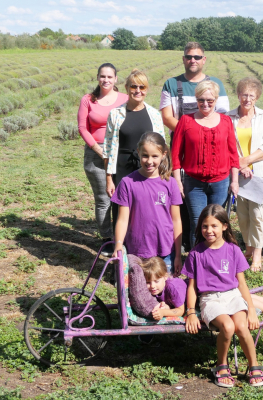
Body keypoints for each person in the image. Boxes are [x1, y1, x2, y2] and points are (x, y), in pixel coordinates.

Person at [183, 204, 263, 388]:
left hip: (233, 295)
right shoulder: (196, 253)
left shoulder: (233, 250)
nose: (209, 230)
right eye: (205, 226)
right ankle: (222, 366)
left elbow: (242, 284)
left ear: (224, 226)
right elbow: (191, 287)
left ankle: (253, 365)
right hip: (210, 298)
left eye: (214, 226)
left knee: (242, 326)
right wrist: (190, 312)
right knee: (227, 327)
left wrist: (251, 309)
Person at [160, 42, 230, 250]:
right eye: (189, 56)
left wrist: (202, 132)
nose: (193, 60)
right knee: (187, 207)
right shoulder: (171, 84)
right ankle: (189, 251)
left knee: (213, 214)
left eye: (197, 57)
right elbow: (166, 116)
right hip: (184, 151)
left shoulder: (216, 83)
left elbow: (223, 117)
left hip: (212, 152)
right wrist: (190, 130)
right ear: (183, 59)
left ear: (204, 59)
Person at [171, 80, 239, 248]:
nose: (205, 104)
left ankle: (214, 258)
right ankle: (197, 261)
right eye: (201, 100)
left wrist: (235, 181)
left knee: (216, 223)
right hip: (194, 184)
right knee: (197, 222)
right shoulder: (186, 121)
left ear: (216, 100)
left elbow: (233, 154)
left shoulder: (225, 121)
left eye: (210, 100)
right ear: (196, 100)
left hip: (220, 183)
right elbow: (175, 154)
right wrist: (178, 181)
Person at [111, 132, 183, 276]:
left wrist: (178, 255)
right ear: (138, 153)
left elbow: (176, 220)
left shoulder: (171, 184)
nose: (149, 161)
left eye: (154, 156)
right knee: (138, 292)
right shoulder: (127, 183)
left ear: (163, 154)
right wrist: (118, 244)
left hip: (165, 252)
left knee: (164, 292)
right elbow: (122, 219)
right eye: (145, 155)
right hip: (137, 252)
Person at [77, 63, 128, 256]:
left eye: (109, 77)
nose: (106, 80)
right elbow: (83, 127)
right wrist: (99, 149)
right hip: (95, 155)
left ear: (116, 79)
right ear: (97, 77)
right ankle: (107, 239)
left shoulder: (124, 99)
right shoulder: (88, 100)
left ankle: (123, 236)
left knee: (124, 197)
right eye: (102, 76)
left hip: (121, 154)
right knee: (103, 199)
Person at [103, 69, 164, 227]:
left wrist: (162, 174)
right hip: (122, 168)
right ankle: (120, 246)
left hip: (148, 167)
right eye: (133, 86)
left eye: (142, 87)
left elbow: (161, 147)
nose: (138, 91)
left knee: (145, 207)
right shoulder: (115, 114)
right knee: (121, 208)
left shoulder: (154, 115)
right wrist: (109, 179)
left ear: (147, 89)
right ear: (126, 87)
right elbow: (108, 148)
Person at [226, 77, 263, 272]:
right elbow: (226, 145)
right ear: (238, 95)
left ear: (257, 97)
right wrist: (239, 165)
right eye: (244, 94)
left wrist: (246, 161)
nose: (247, 99)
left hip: (259, 174)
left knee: (258, 214)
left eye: (251, 95)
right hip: (237, 173)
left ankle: (257, 255)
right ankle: (247, 248)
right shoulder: (229, 117)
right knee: (243, 214)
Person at [140, 256, 186, 320]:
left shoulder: (172, 287)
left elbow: (181, 311)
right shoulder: (156, 288)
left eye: (156, 281)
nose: (152, 286)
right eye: (148, 282)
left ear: (165, 276)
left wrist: (163, 312)